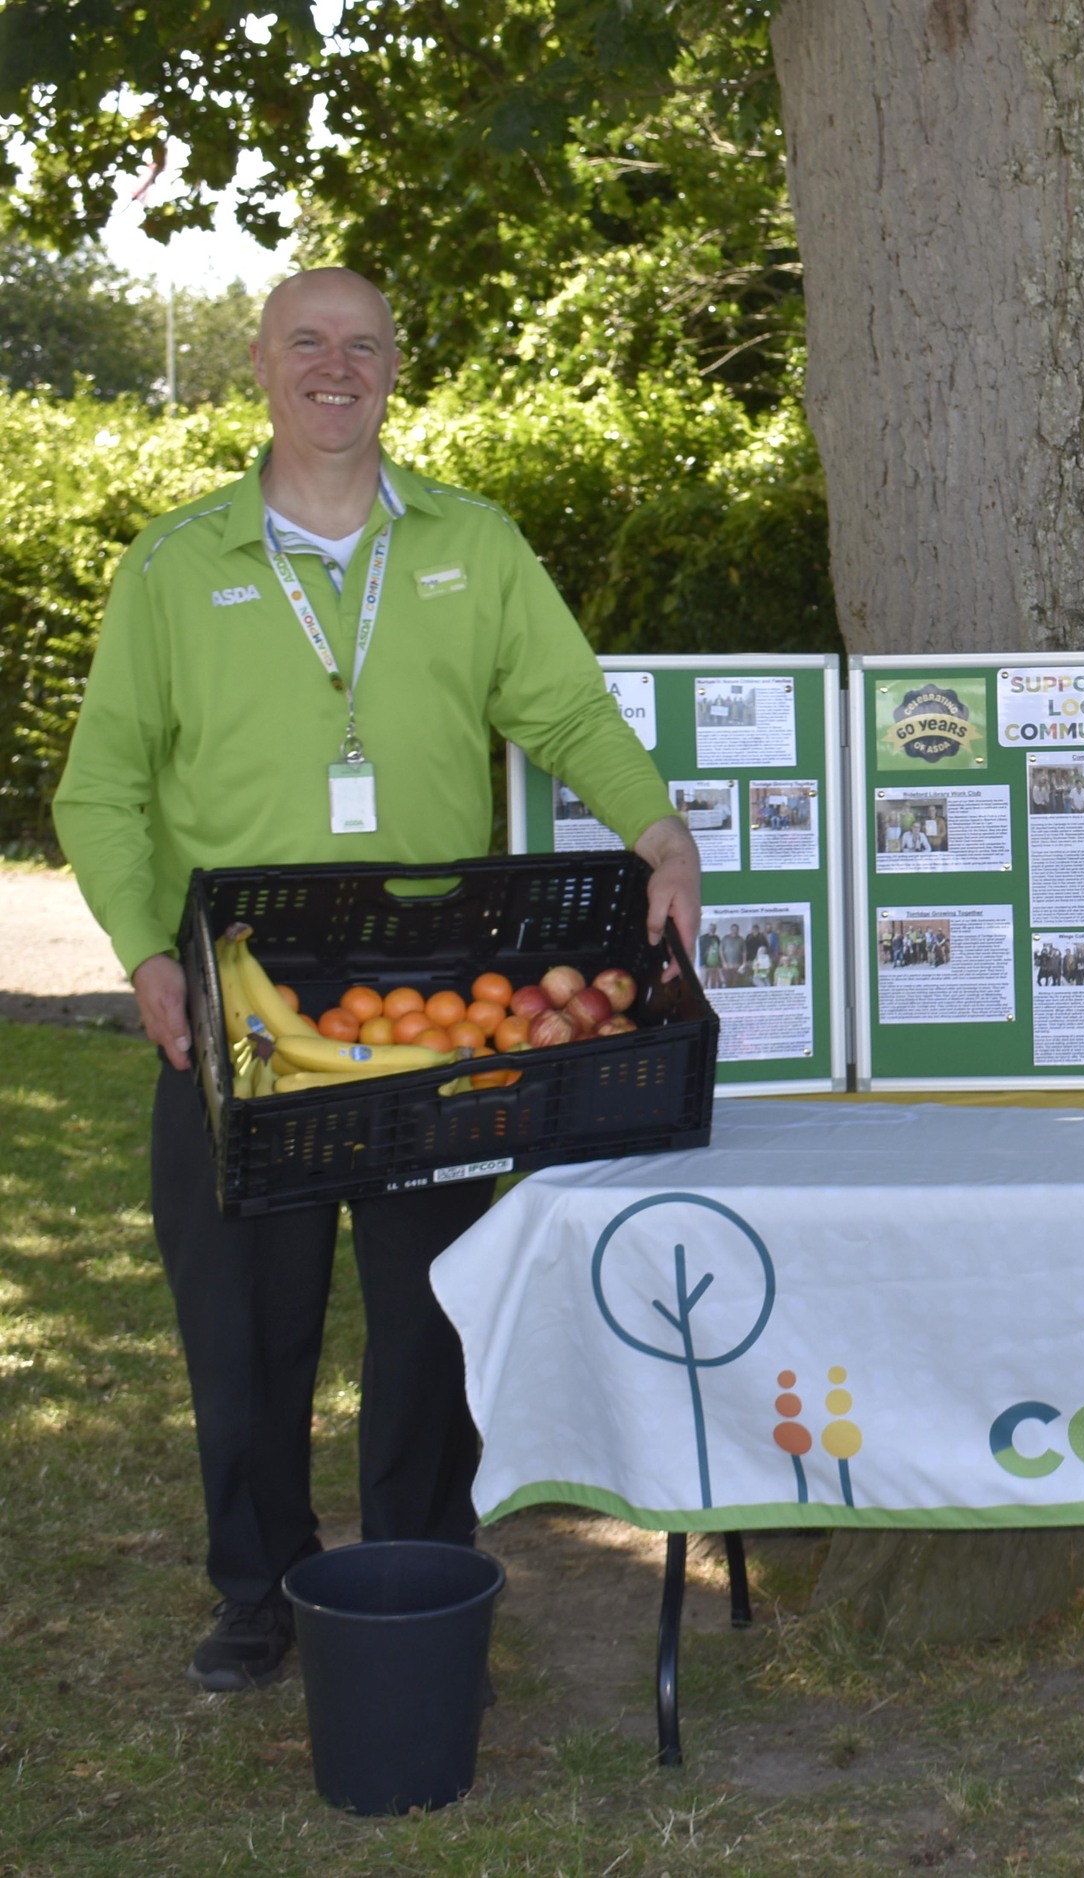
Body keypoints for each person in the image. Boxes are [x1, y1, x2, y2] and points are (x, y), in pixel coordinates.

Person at [51, 269, 703, 1693]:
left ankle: (415, 1567)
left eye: (363, 344)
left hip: (439, 996)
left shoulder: (472, 544)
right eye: (308, 343)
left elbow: (567, 707)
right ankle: (256, 1589)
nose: (336, 367)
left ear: (396, 367)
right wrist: (145, 956)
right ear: (261, 365)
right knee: (243, 1321)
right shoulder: (177, 561)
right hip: (242, 1001)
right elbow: (98, 788)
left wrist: (658, 828)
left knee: (429, 1313)